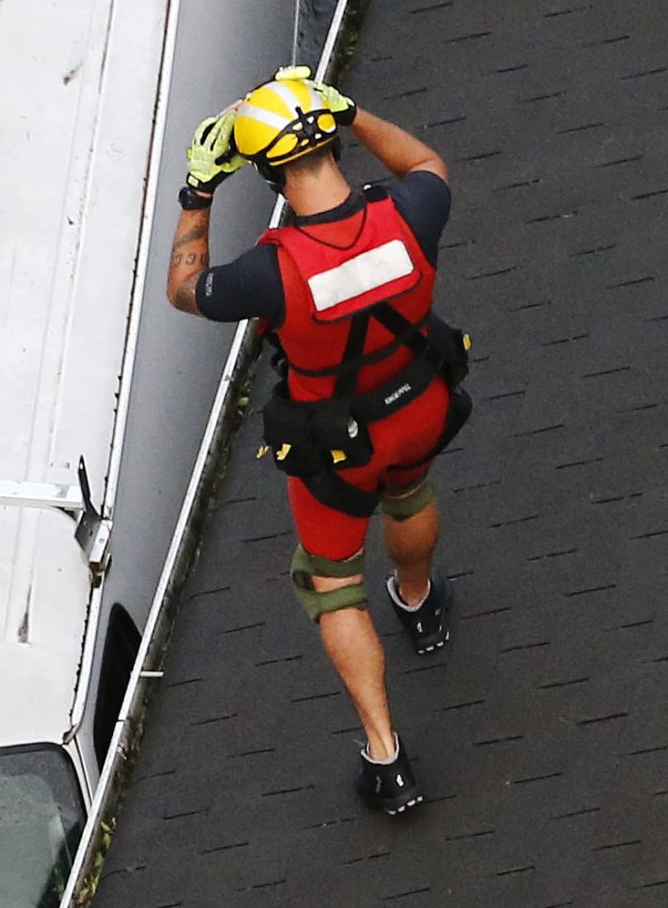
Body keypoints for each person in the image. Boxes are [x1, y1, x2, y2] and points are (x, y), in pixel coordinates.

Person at [165, 71, 466, 816]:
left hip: (338, 447)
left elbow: (186, 287)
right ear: (329, 136)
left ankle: (386, 757)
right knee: (413, 493)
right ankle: (422, 604)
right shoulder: (410, 213)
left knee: (333, 582)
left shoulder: (269, 273)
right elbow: (427, 163)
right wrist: (354, 109)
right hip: (420, 403)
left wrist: (199, 191)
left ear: (265, 169)